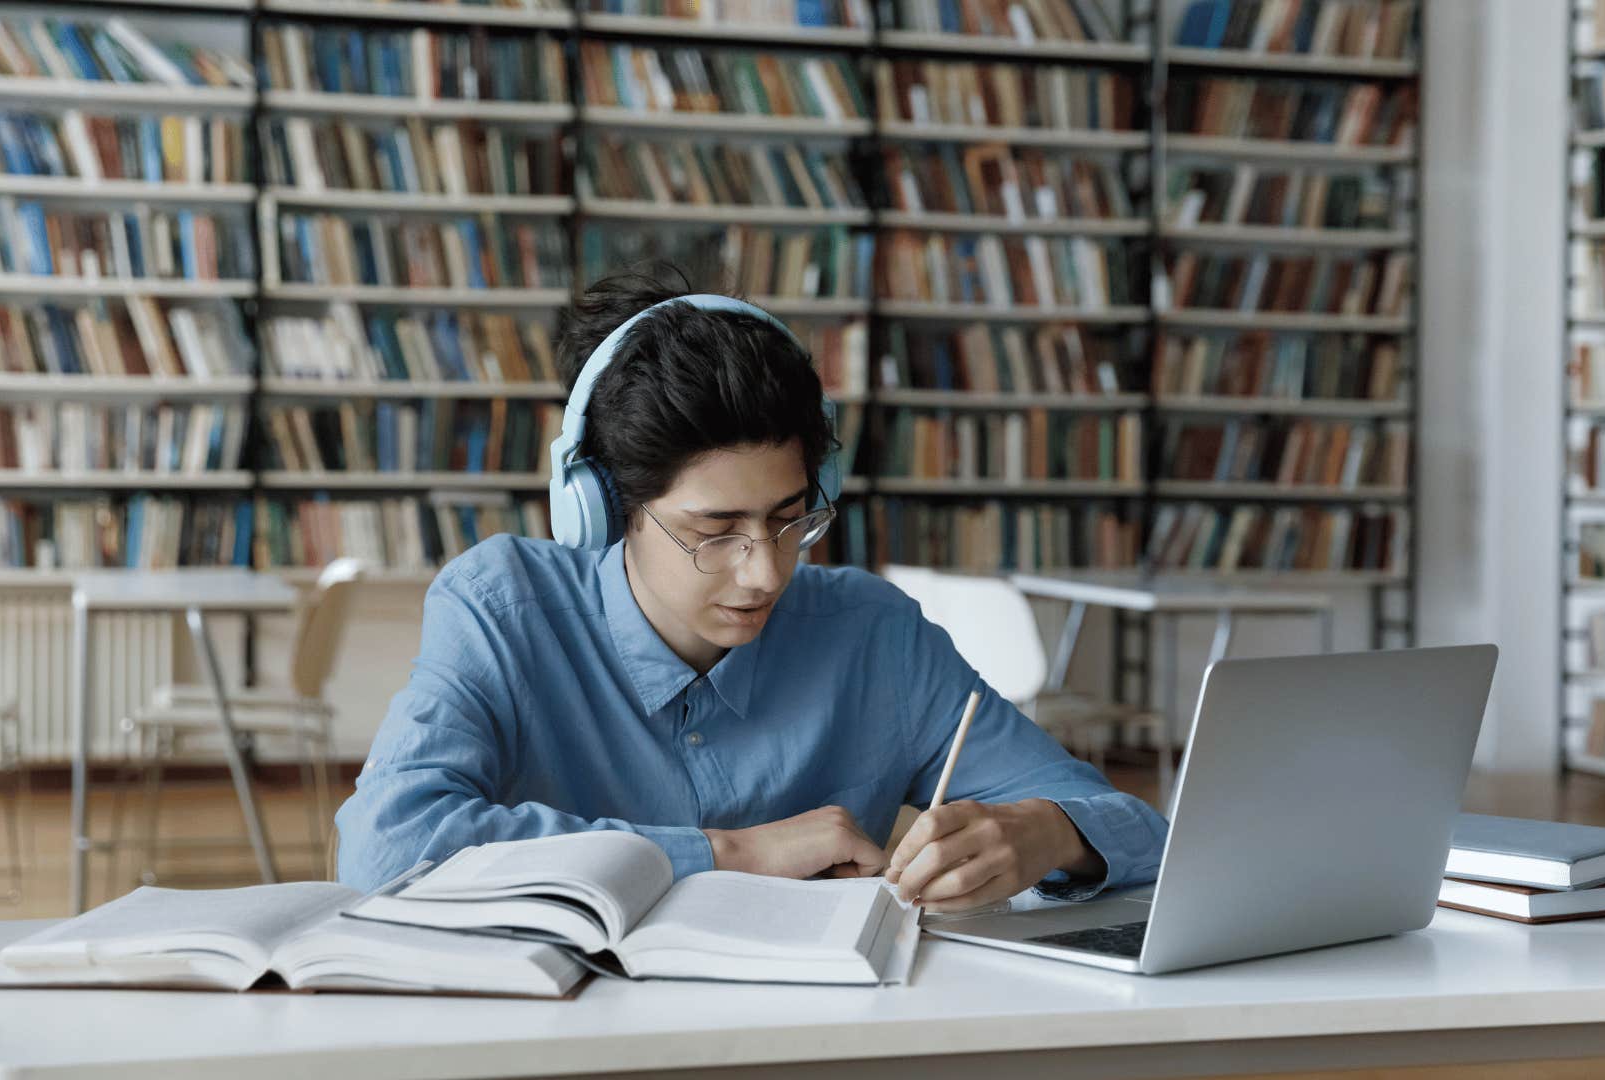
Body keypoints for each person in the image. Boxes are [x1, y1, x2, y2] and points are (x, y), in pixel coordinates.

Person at [334, 270, 1168, 911]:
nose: (764, 570)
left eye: (788, 518)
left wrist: (1047, 834)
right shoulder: (503, 608)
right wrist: (729, 854)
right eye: (712, 531)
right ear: (603, 507)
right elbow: (386, 847)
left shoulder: (873, 634)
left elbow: (1143, 834)